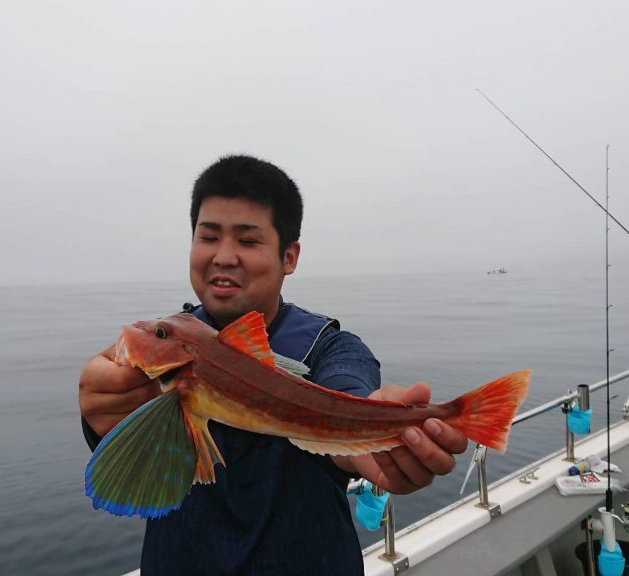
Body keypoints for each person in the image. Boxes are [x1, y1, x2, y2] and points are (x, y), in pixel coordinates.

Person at [78, 155, 467, 575]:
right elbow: (142, 460)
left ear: (289, 257)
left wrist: (369, 437)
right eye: (208, 237)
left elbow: (346, 388)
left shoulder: (331, 348)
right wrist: (104, 416)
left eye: (248, 241)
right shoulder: (169, 344)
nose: (224, 256)